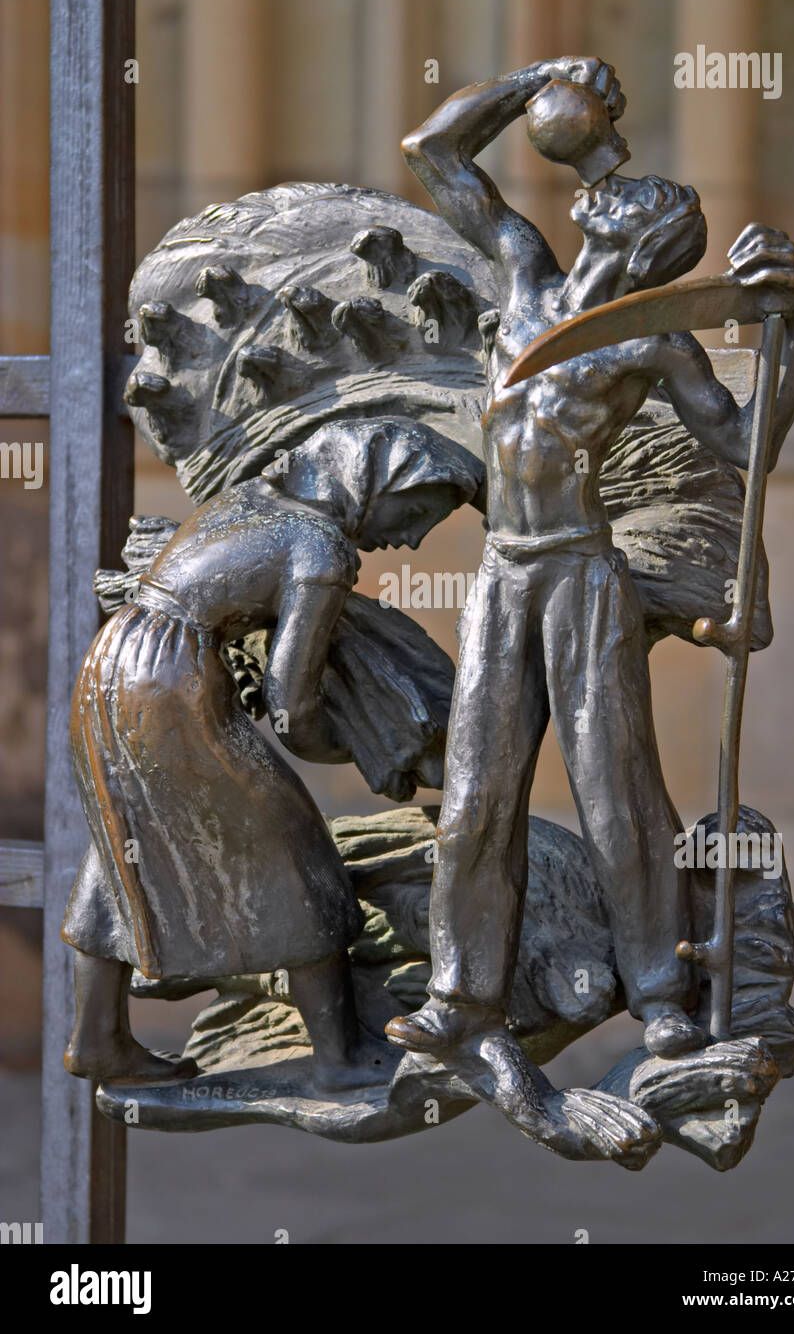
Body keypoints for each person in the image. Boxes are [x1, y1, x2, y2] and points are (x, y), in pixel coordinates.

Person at [385, 57, 794, 1060]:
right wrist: (535, 74)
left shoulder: (653, 348)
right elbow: (432, 151)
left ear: (645, 243)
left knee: (617, 793)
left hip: (583, 572)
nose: (601, 202)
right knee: (478, 794)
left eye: (624, 207)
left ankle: (661, 988)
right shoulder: (523, 271)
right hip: (506, 573)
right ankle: (462, 993)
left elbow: (748, 444)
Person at [62, 417, 483, 1089]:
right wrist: (362, 749)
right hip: (171, 688)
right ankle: (340, 1059)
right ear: (370, 484)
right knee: (293, 852)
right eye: (414, 513)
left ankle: (97, 1038)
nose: (409, 537)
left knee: (125, 839)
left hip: (114, 664)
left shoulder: (255, 497)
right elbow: (293, 706)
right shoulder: (320, 551)